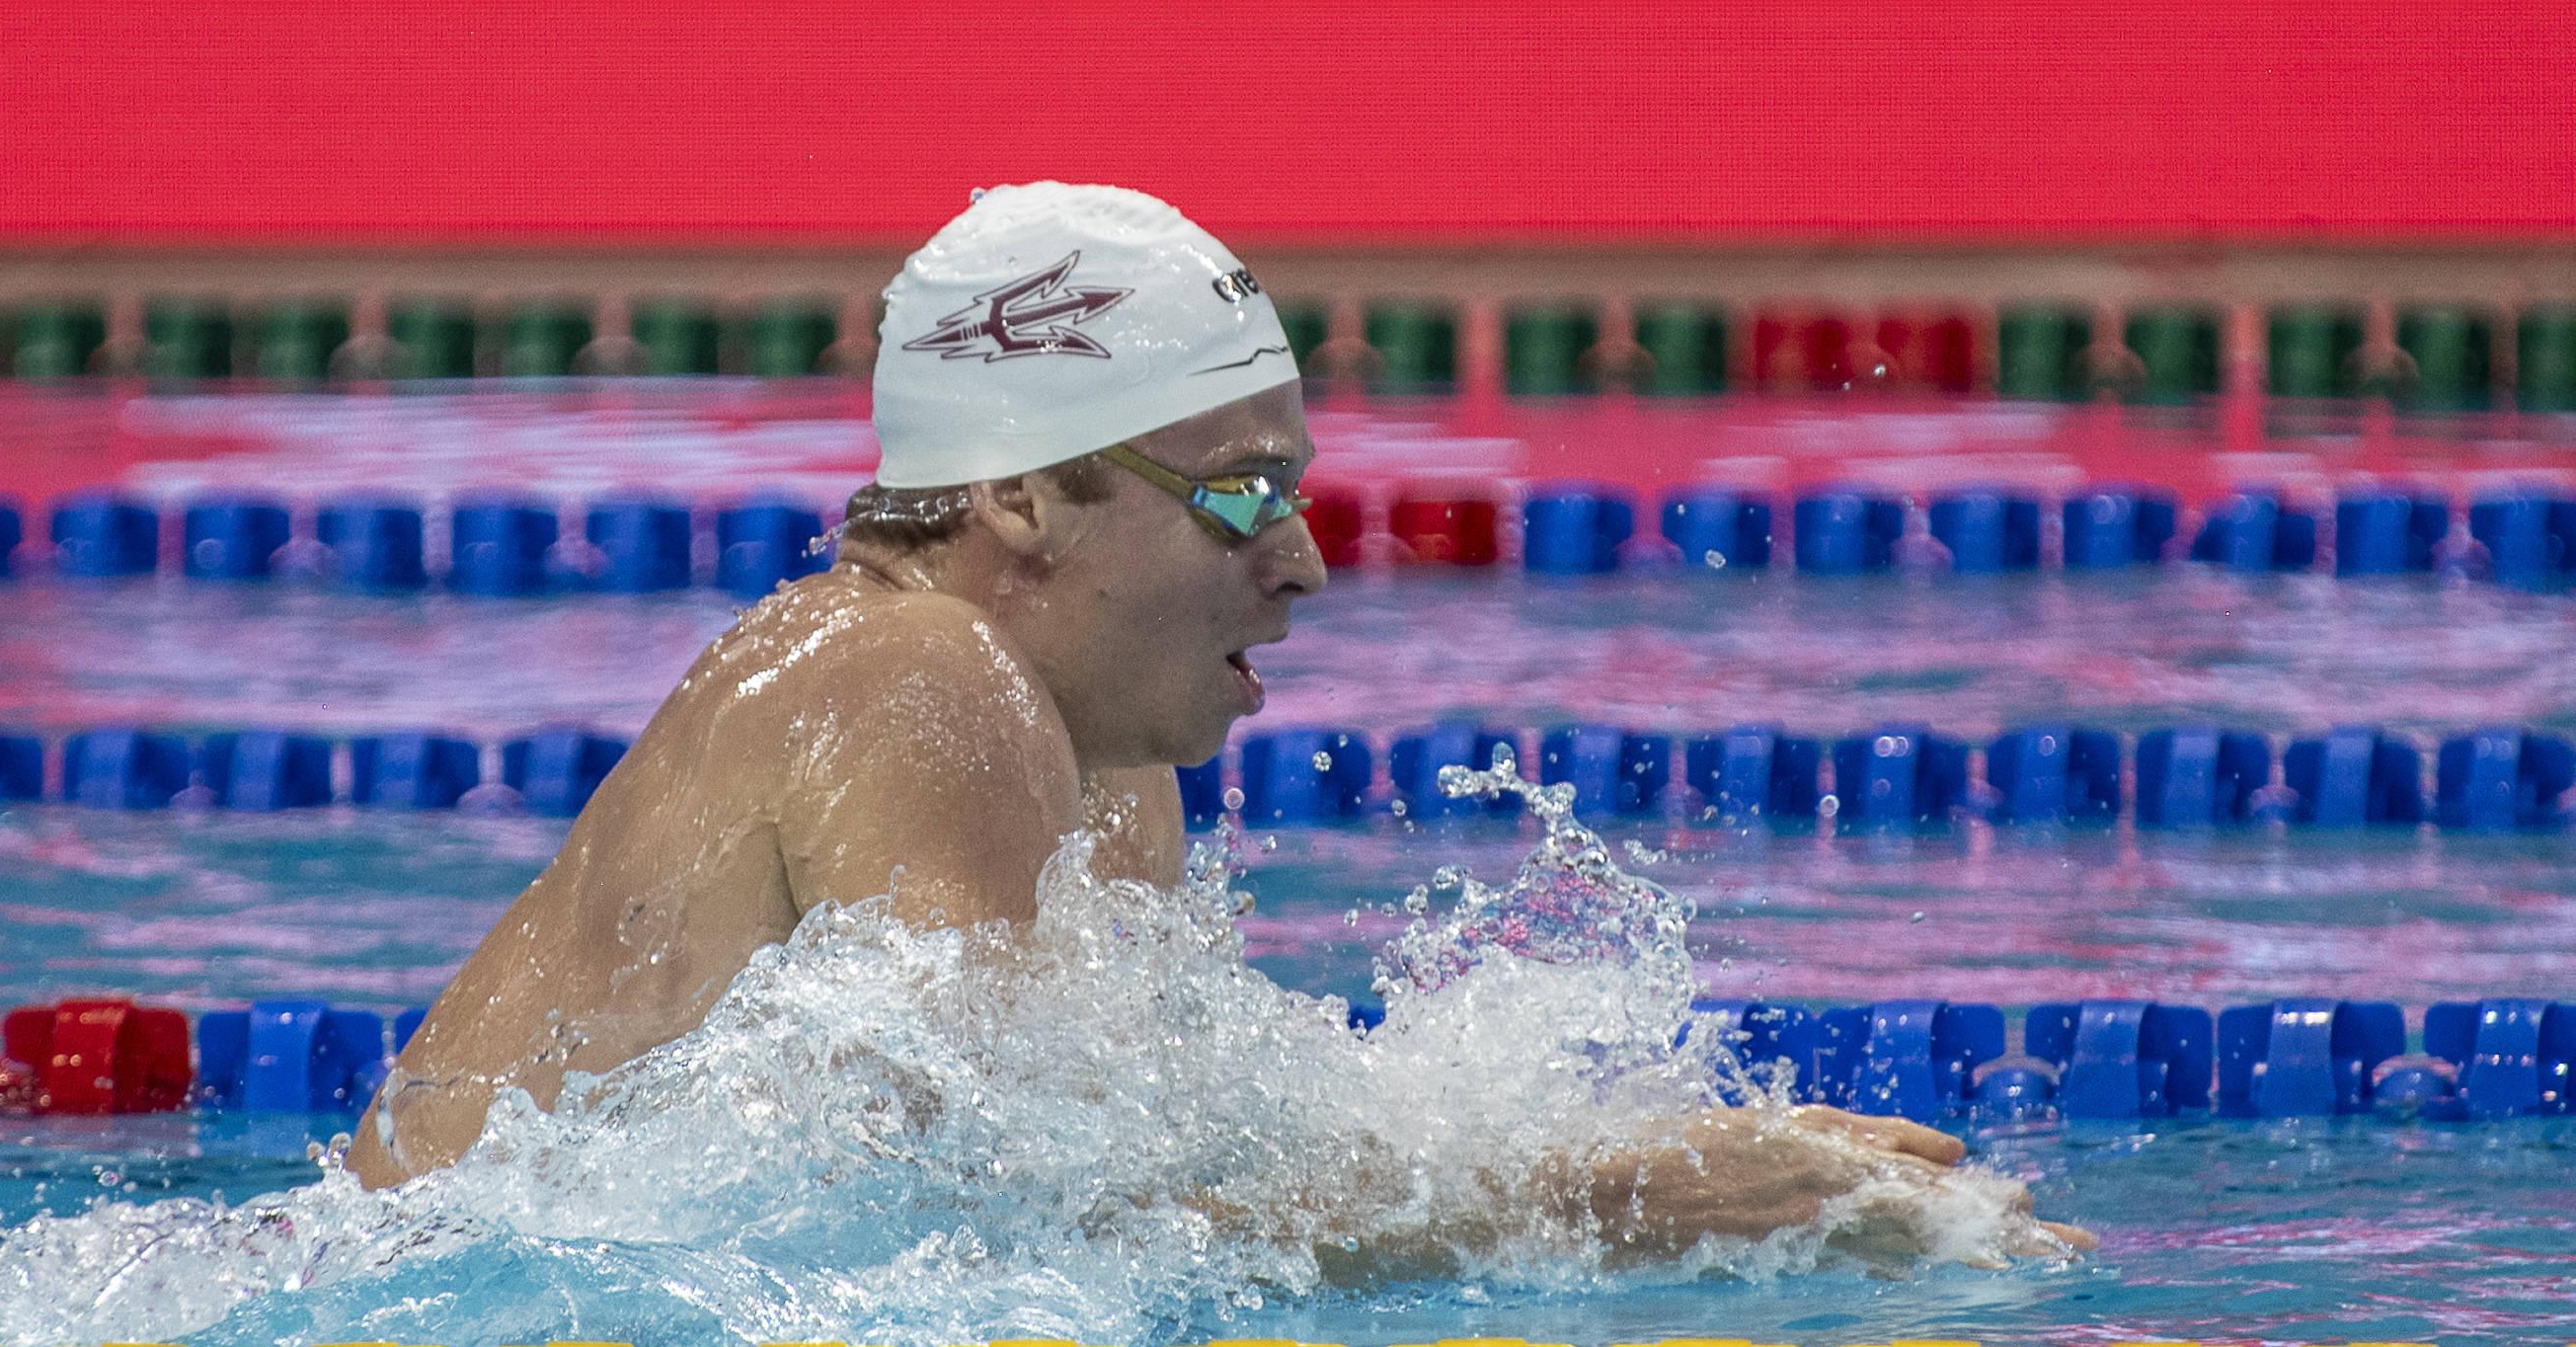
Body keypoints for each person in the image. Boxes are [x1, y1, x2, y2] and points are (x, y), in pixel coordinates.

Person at [346, 183, 2084, 1260]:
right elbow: (1023, 1242)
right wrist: (1635, 1201)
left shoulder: (1090, 754)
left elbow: (1139, 1187)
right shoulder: (914, 678)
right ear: (1026, 496)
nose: (1309, 566)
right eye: (1245, 498)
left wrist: (1654, 1169)